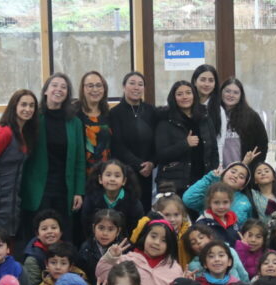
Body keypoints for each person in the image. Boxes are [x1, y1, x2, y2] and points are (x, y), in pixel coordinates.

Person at [22, 74, 87, 243]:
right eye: (54, 85)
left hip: (65, 188)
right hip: (38, 187)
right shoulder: (35, 118)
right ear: (45, 91)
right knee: (38, 234)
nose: (58, 89)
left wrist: (79, 190)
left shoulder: (75, 123)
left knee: (63, 235)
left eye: (63, 87)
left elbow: (80, 160)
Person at [95, 218, 183, 285]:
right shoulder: (127, 261)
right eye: (153, 236)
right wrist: (111, 257)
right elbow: (102, 275)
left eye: (164, 240)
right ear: (145, 236)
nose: (157, 242)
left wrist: (186, 284)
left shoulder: (175, 269)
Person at [0, 89, 37, 238]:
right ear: (14, 106)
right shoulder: (4, 131)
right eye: (24, 105)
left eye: (32, 105)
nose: (28, 109)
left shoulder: (24, 133)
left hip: (12, 202)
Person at [156, 81, 218, 195]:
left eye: (188, 93)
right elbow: (160, 154)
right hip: (175, 184)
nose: (185, 97)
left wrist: (213, 176)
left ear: (194, 95)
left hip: (203, 181)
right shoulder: (165, 120)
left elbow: (214, 149)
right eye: (180, 94)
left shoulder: (204, 117)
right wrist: (185, 144)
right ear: (173, 98)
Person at [110, 72, 158, 209]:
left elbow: (157, 142)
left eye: (140, 84)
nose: (136, 87)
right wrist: (139, 165)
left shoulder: (151, 111)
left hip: (149, 173)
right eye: (132, 83)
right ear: (124, 86)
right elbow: (117, 145)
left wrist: (152, 163)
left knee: (145, 211)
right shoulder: (115, 113)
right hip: (125, 172)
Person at [79, 159, 144, 241]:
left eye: (117, 176)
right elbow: (86, 225)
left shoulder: (133, 201)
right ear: (100, 179)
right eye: (108, 175)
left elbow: (136, 229)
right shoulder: (91, 199)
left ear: (124, 181)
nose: (112, 179)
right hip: (96, 242)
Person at [212, 78, 268, 172]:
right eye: (227, 91)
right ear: (221, 92)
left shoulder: (251, 116)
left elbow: (262, 144)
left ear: (241, 95)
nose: (231, 95)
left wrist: (252, 167)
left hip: (243, 172)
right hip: (218, 172)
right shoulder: (212, 114)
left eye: (235, 92)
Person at [76, 71, 115, 178]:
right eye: (90, 86)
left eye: (99, 85)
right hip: (80, 175)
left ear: (104, 89)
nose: (95, 89)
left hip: (106, 176)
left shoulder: (109, 115)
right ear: (82, 89)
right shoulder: (74, 114)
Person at [78, 209, 124, 285]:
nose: (105, 233)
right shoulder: (85, 249)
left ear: (118, 231)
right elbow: (81, 275)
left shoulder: (124, 248)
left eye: (110, 229)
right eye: (101, 228)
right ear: (93, 228)